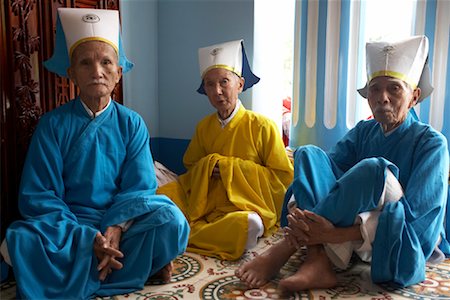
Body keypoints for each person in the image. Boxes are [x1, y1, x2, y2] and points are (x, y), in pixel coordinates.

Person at [0, 8, 189, 299]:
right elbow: (39, 194)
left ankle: (95, 264)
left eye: (106, 62)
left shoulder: (132, 123)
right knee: (18, 241)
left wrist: (116, 226)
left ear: (119, 71)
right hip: (68, 228)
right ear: (71, 73)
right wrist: (87, 237)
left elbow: (139, 187)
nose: (97, 71)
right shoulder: (53, 124)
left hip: (119, 221)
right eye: (85, 63)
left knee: (171, 221)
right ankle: (131, 265)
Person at [236, 35, 449, 292]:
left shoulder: (432, 143)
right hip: (345, 227)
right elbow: (322, 178)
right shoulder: (364, 131)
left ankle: (288, 246)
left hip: (391, 238)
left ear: (414, 96)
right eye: (374, 88)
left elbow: (419, 226)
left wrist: (332, 235)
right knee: (308, 154)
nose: (382, 97)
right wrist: (321, 220)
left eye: (394, 88)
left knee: (373, 168)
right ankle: (317, 260)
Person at [157, 39, 293, 260]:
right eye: (209, 84)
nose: (217, 91)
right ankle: (193, 232)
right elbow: (191, 168)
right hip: (207, 204)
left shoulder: (262, 126)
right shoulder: (204, 127)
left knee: (250, 223)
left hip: (245, 206)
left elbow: (282, 179)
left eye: (224, 82)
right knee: (160, 198)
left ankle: (183, 234)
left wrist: (231, 169)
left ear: (239, 85)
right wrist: (208, 167)